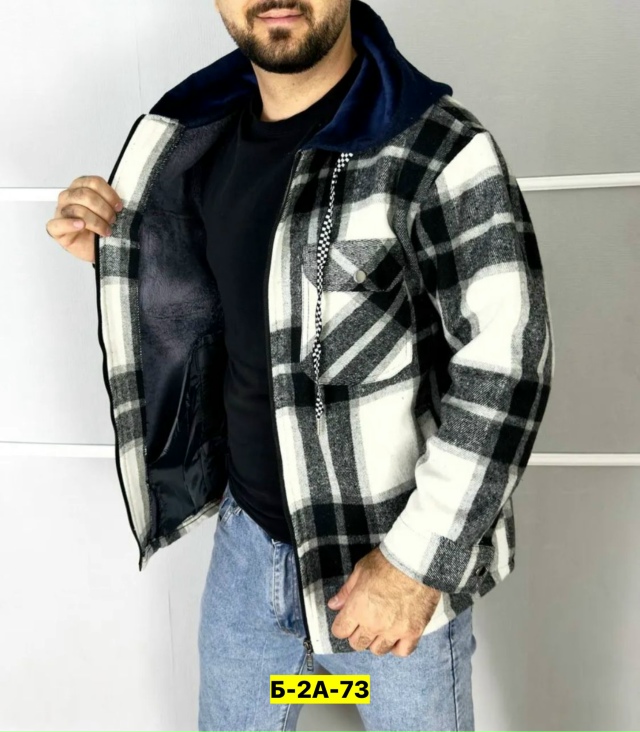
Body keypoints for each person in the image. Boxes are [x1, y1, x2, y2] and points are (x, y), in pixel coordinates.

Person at [46, 0, 555, 729]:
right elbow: (232, 308)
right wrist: (122, 253)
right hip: (249, 558)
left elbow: (508, 368)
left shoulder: (438, 148)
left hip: (387, 561)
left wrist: (415, 566)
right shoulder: (197, 143)